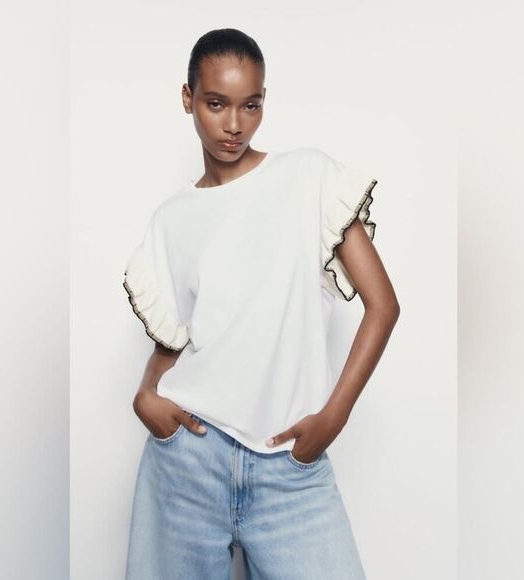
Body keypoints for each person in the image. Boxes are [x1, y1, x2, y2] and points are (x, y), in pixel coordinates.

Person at [122, 28, 400, 580]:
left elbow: (383, 305)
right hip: (186, 464)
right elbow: (172, 342)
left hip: (289, 472)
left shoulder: (309, 176)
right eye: (216, 104)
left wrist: (333, 418)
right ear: (188, 99)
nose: (234, 124)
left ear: (264, 100)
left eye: (250, 105)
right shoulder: (171, 220)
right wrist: (146, 397)